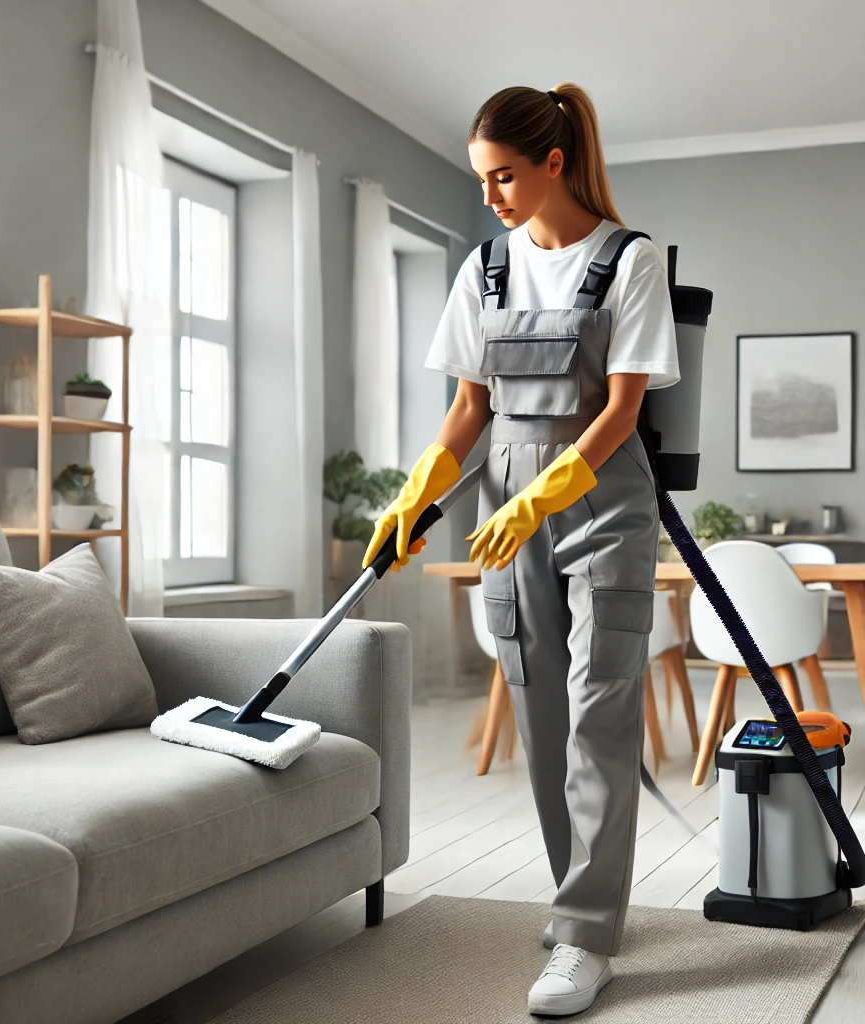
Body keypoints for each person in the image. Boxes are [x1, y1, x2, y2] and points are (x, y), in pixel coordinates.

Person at [363, 82, 679, 1017]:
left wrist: (548, 492)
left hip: (600, 504)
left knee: (599, 707)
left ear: (553, 162)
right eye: (481, 178)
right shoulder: (484, 268)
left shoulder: (629, 260)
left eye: (505, 175)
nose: (492, 195)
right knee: (540, 714)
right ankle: (575, 899)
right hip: (504, 504)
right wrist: (415, 495)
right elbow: (467, 409)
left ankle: (585, 938)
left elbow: (623, 409)